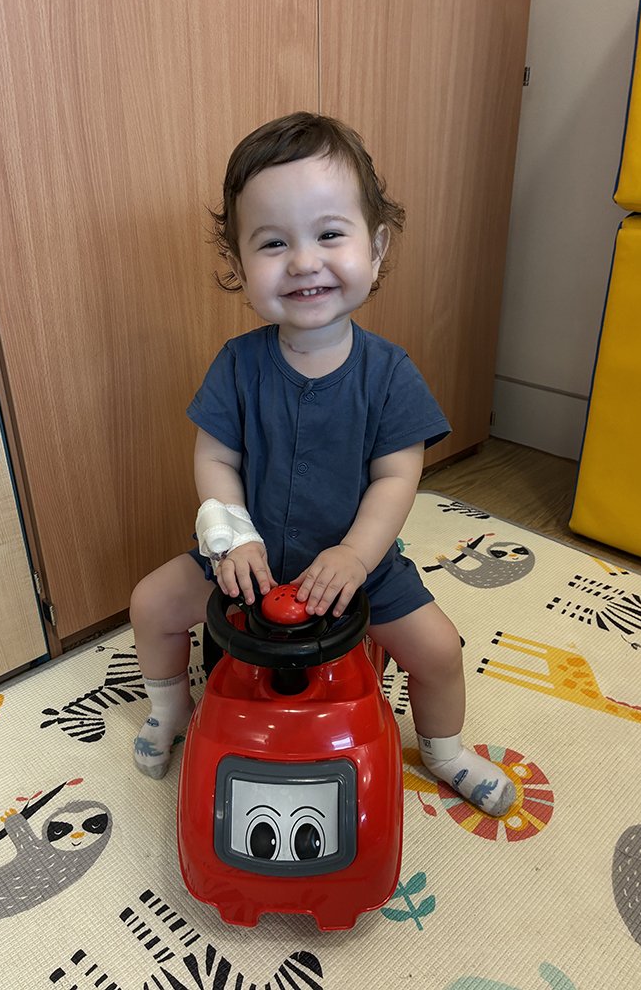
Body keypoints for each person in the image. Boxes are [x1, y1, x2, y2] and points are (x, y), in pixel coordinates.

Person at [130, 112, 516, 817]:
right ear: (239, 264)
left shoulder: (390, 374)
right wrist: (232, 536)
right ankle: (168, 709)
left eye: (329, 234)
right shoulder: (237, 365)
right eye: (274, 243)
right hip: (246, 563)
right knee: (151, 604)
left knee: (439, 650)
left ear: (376, 247)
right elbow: (214, 456)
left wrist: (356, 555)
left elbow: (397, 477)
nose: (304, 261)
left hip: (356, 563)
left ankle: (445, 749)